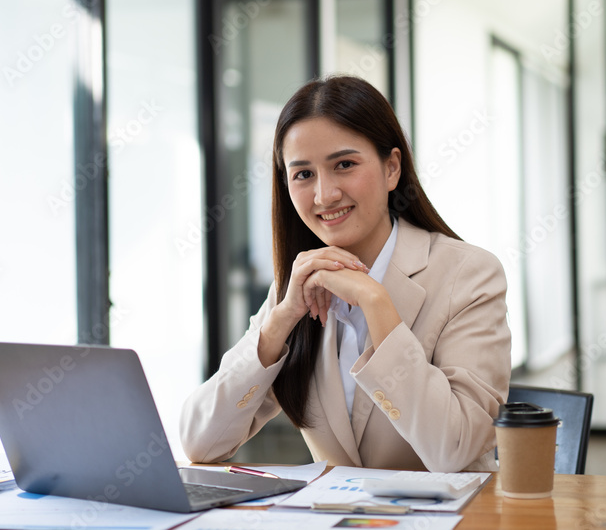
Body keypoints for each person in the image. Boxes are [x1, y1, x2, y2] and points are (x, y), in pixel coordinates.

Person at [180, 75, 510, 472]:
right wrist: (280, 321)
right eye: (303, 174)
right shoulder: (296, 286)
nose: (325, 195)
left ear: (392, 169)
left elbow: (454, 449)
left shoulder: (469, 275)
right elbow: (200, 442)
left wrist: (376, 303)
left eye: (344, 165)